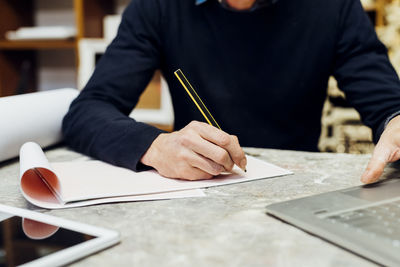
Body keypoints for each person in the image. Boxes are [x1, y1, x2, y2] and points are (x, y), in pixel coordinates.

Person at [63, 0, 400, 183]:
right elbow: (87, 111)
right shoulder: (156, 8)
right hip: (199, 192)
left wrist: (395, 122)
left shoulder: (334, 6)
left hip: (295, 192)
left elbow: (386, 102)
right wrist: (155, 146)